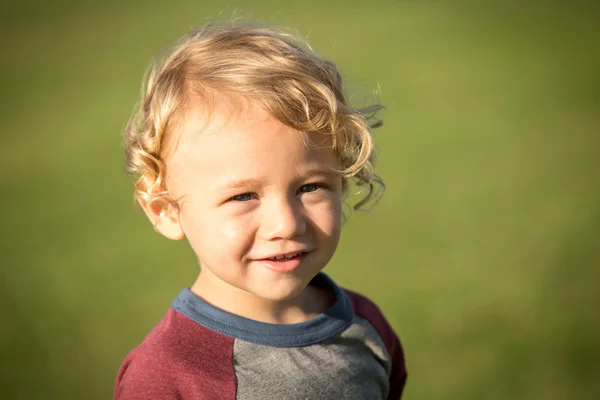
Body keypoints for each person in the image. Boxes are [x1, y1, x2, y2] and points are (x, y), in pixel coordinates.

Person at [114, 18, 407, 399]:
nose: (286, 223)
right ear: (164, 210)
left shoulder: (366, 328)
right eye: (243, 197)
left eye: (310, 186)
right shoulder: (166, 377)